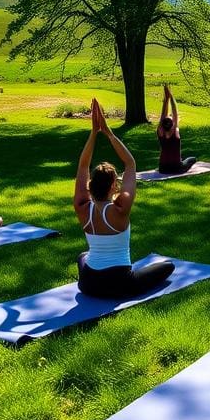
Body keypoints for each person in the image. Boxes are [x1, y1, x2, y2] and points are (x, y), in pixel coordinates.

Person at [74, 98, 175, 297]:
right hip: (120, 284)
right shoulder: (120, 208)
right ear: (114, 186)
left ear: (92, 185)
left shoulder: (82, 207)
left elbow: (83, 166)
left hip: (88, 284)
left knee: (83, 256)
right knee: (167, 267)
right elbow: (130, 164)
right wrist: (109, 133)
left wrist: (94, 133)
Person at [156, 84, 197, 174]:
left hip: (163, 168)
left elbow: (163, 114)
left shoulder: (160, 131)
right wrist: (171, 97)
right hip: (176, 168)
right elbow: (175, 113)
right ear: (172, 123)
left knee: (184, 159)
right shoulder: (175, 131)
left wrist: (166, 100)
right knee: (192, 159)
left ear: (162, 124)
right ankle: (184, 161)